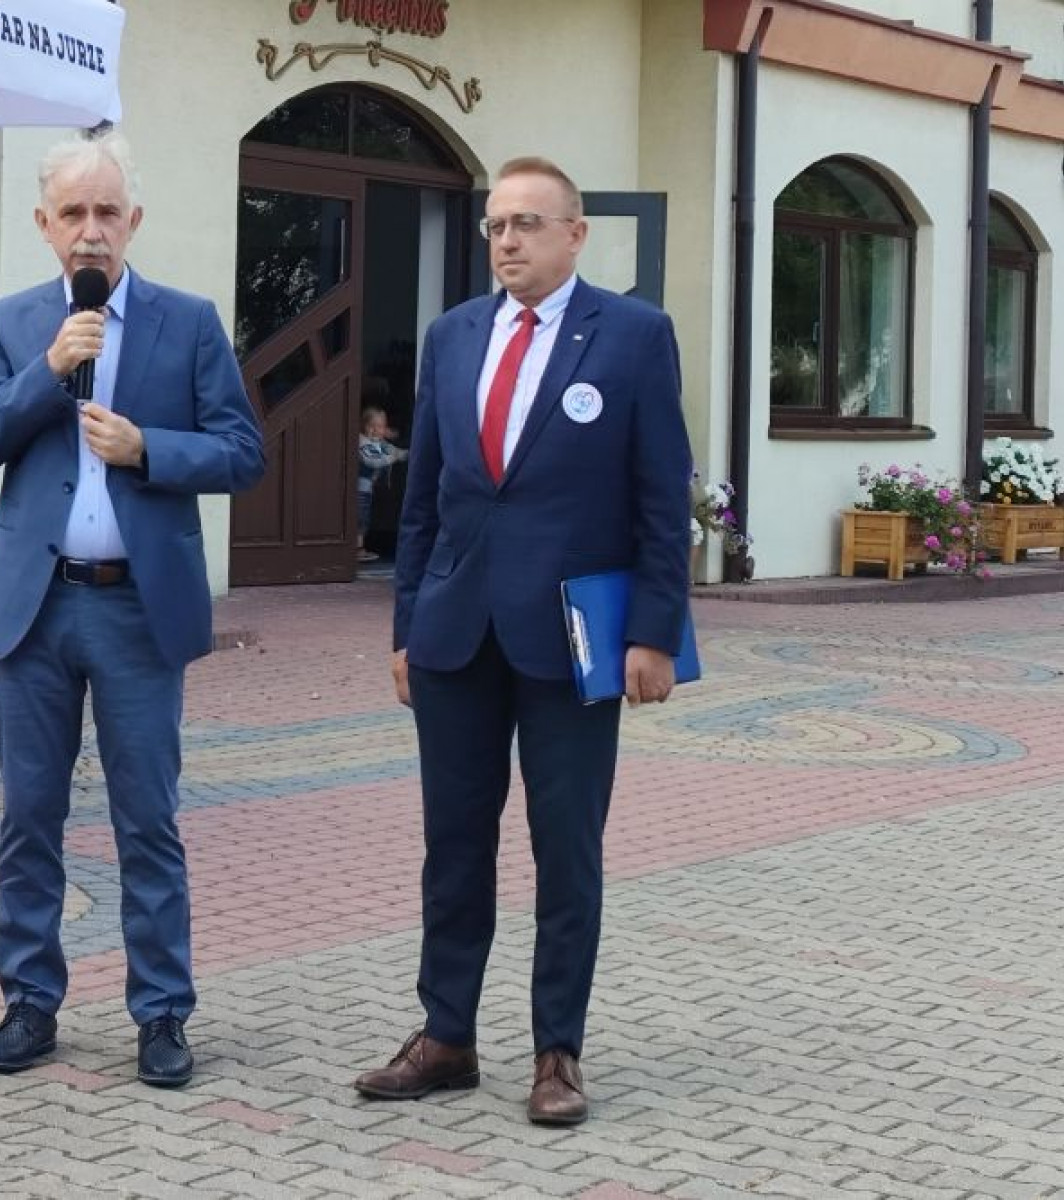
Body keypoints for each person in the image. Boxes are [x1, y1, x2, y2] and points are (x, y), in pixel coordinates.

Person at [352, 156, 692, 1126]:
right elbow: (423, 498)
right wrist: (407, 626)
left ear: (576, 235)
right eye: (496, 225)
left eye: (528, 224)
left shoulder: (633, 336)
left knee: (565, 848)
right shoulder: (454, 335)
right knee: (454, 844)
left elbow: (661, 497)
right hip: (456, 635)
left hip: (573, 641)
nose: (507, 241)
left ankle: (556, 1052)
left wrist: (654, 634)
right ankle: (446, 1036)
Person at [0, 132, 265, 1089]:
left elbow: (242, 451)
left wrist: (147, 449)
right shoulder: (13, 322)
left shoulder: (189, 322)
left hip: (136, 610)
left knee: (147, 821)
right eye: (72, 214)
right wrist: (49, 369)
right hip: (35, 610)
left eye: (106, 212)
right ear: (44, 225)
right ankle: (29, 1002)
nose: (90, 231)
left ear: (134, 220)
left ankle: (162, 1013)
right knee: (28, 817)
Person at [357, 404, 407, 563]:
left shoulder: (379, 443)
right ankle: (357, 549)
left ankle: (359, 547)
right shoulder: (363, 442)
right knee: (360, 520)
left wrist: (408, 453)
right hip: (359, 491)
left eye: (381, 426)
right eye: (373, 426)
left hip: (368, 490)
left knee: (365, 519)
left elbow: (394, 451)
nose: (377, 430)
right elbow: (373, 460)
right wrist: (392, 457)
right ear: (365, 426)